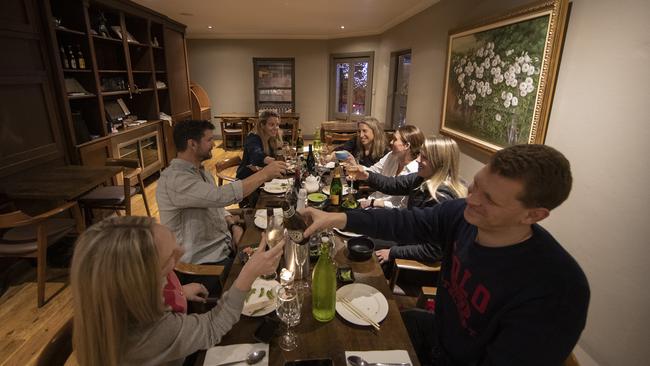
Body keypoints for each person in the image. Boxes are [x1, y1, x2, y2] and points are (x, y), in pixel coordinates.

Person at [299, 144, 590, 366]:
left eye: (489, 199)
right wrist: (334, 219)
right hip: (438, 332)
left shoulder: (557, 290)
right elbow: (405, 223)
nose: (472, 200)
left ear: (533, 215)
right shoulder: (461, 214)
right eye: (476, 186)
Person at [71, 216, 285, 366]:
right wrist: (247, 274)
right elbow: (212, 327)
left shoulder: (107, 309)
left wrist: (179, 291)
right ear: (142, 284)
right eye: (170, 257)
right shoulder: (148, 334)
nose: (182, 253)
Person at [156, 120, 285, 295]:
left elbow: (214, 205)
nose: (214, 144)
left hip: (224, 248)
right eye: (209, 140)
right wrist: (264, 174)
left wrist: (233, 226)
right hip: (203, 266)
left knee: (276, 252)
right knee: (271, 278)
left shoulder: (199, 172)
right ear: (192, 144)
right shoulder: (175, 180)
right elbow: (219, 197)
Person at [350, 136, 467, 264]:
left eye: (424, 157)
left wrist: (392, 252)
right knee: (364, 235)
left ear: (439, 163)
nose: (417, 160)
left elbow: (434, 250)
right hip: (408, 239)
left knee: (364, 250)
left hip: (415, 260)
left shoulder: (441, 198)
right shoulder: (422, 178)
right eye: (420, 155)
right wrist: (367, 176)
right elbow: (392, 184)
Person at [357, 125, 425, 209]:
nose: (391, 142)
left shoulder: (416, 171)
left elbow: (403, 208)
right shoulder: (391, 155)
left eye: (395, 139)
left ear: (406, 145)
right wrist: (356, 167)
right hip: (370, 203)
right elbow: (372, 171)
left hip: (387, 214)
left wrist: (375, 203)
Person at [236, 110, 284, 180]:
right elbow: (257, 156)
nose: (276, 128)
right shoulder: (253, 138)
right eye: (271, 124)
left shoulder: (272, 138)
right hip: (246, 178)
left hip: (262, 176)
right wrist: (277, 162)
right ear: (262, 125)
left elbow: (278, 153)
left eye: (277, 125)